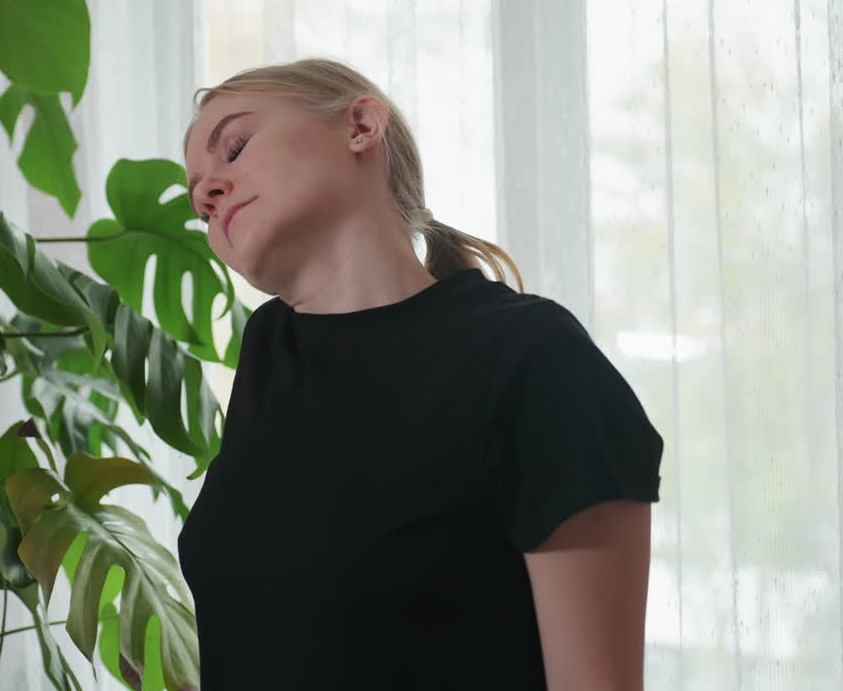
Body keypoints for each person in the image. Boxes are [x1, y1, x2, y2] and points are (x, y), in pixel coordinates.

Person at [175, 58, 664, 690]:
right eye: (199, 202)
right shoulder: (270, 354)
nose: (209, 194)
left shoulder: (532, 355)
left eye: (235, 147)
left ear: (360, 125)